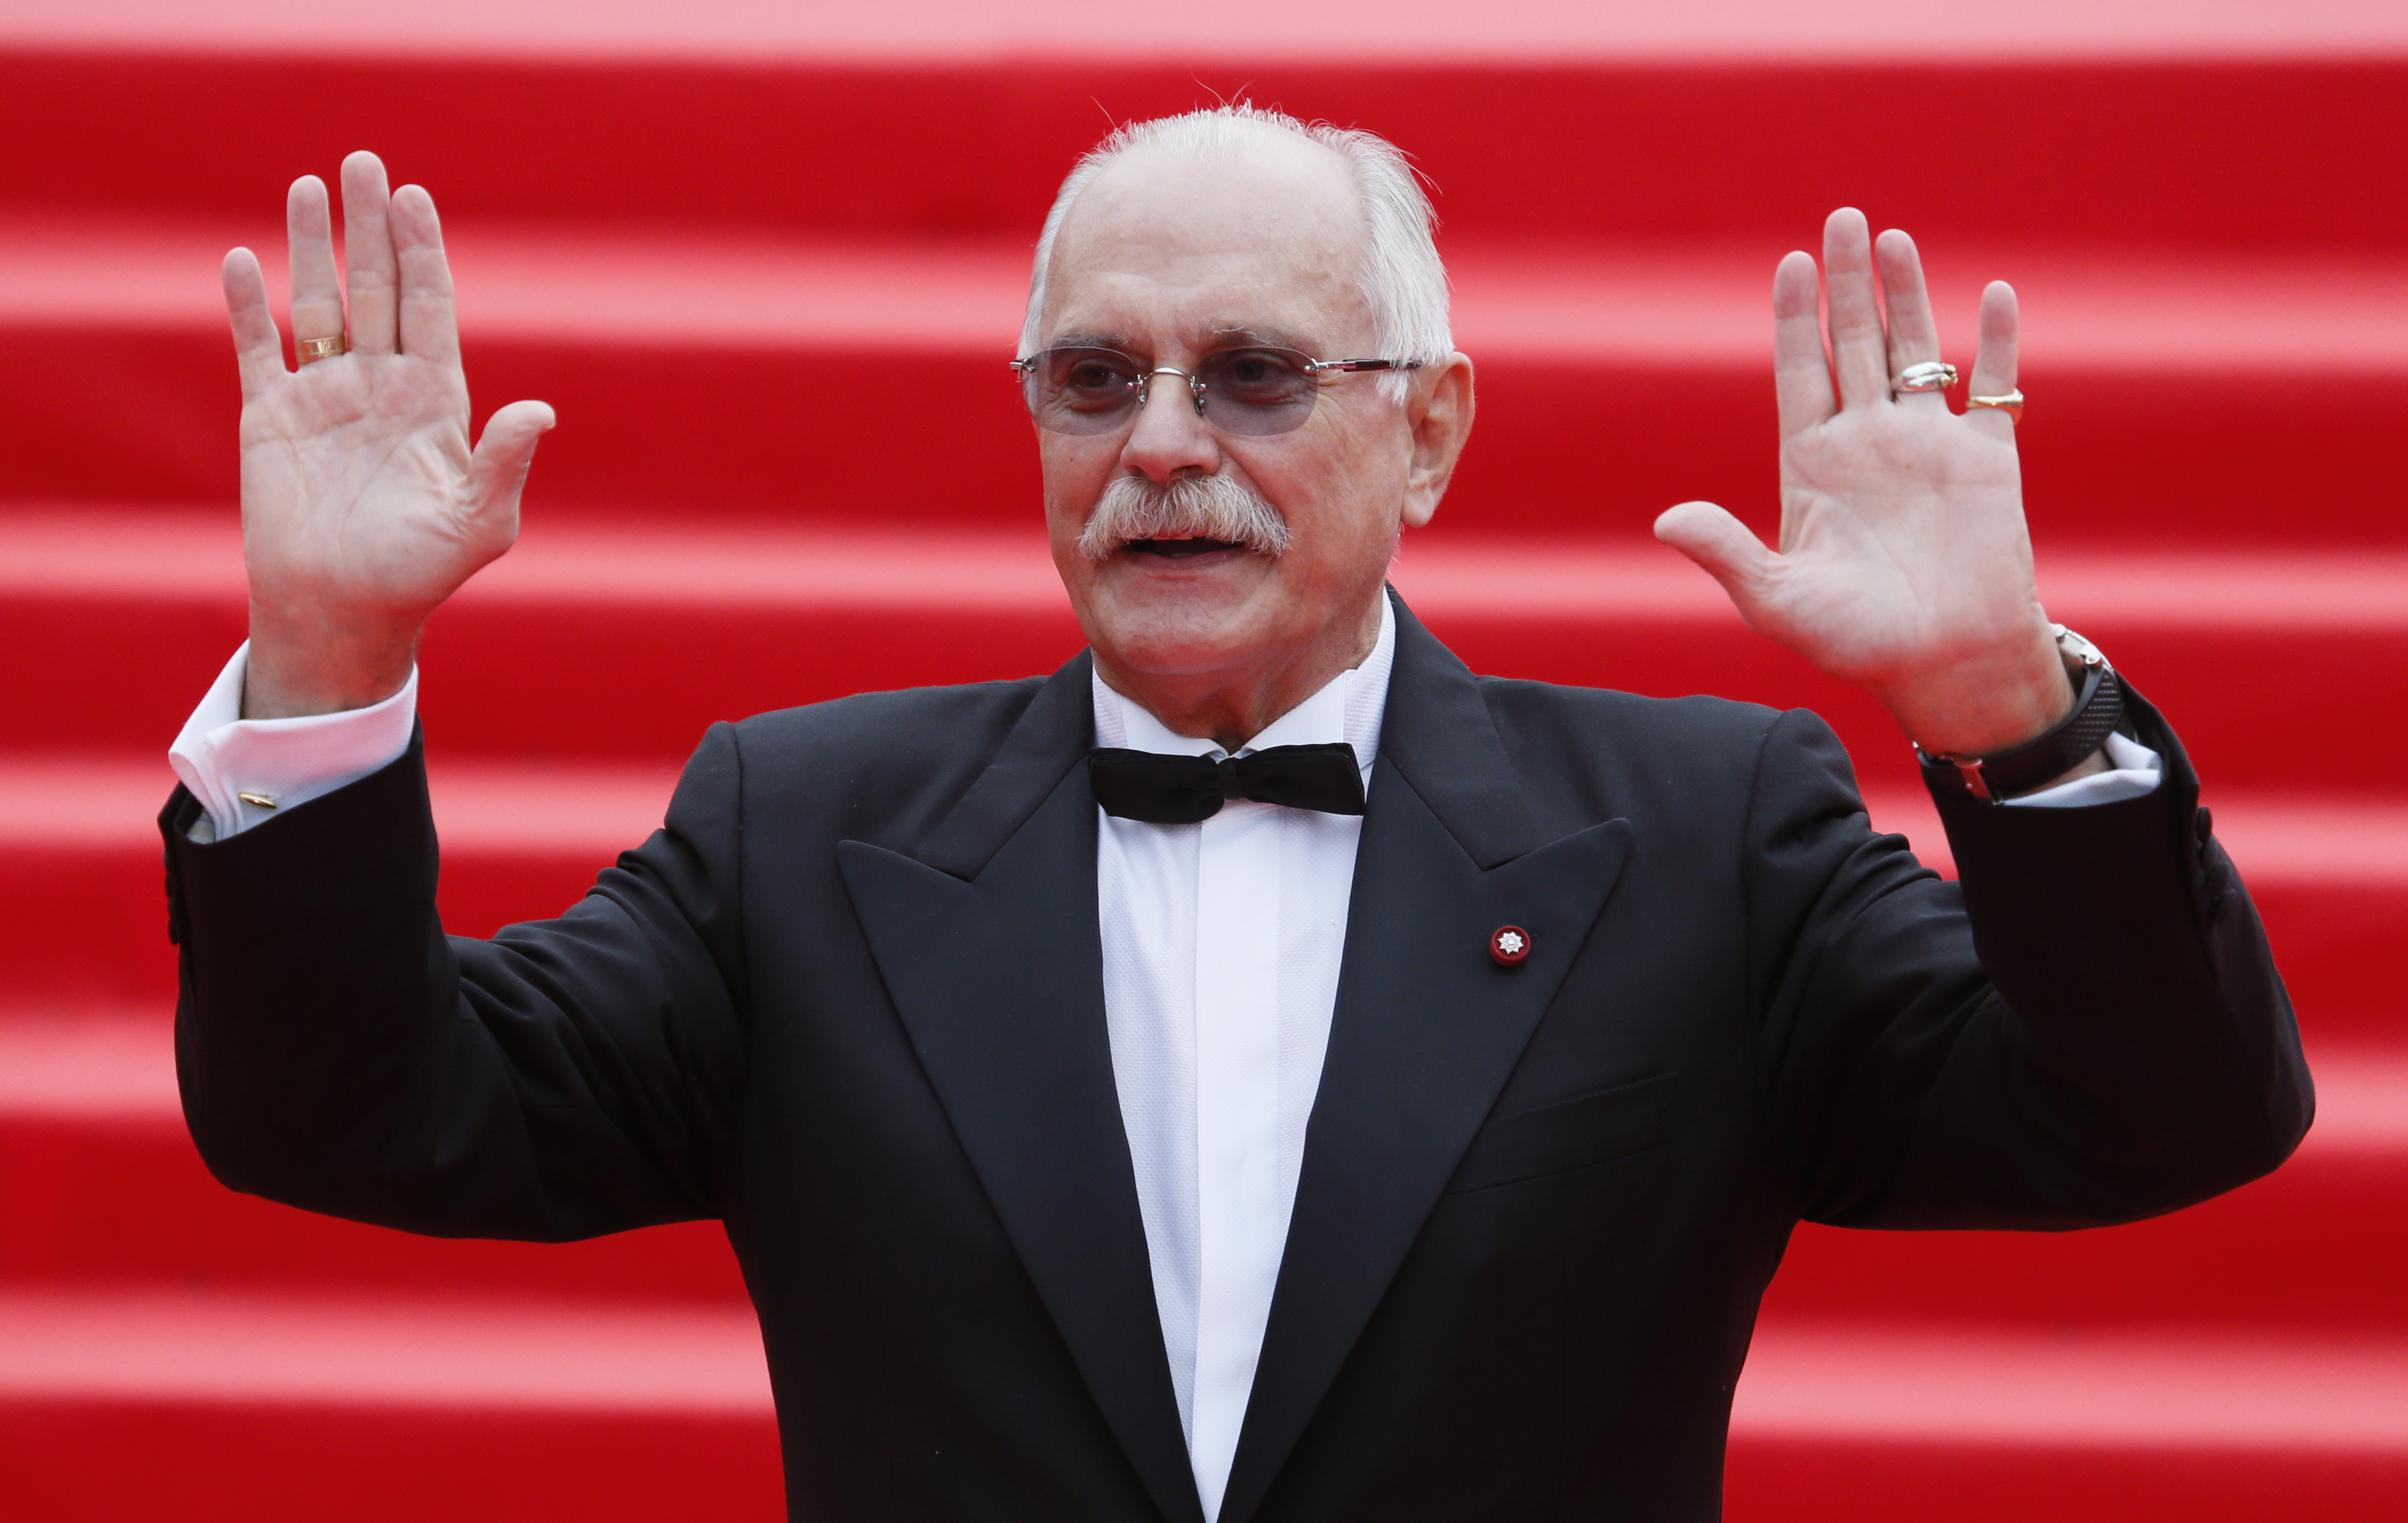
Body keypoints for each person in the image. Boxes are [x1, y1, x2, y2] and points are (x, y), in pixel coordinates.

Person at [164, 107, 2308, 1522]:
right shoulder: (798, 830)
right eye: (1093, 381)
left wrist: (1992, 708)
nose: (1162, 446)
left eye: (1256, 375)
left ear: (1432, 430)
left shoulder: (1696, 832)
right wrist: (329, 664)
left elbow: (2163, 1115)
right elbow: (356, 1114)